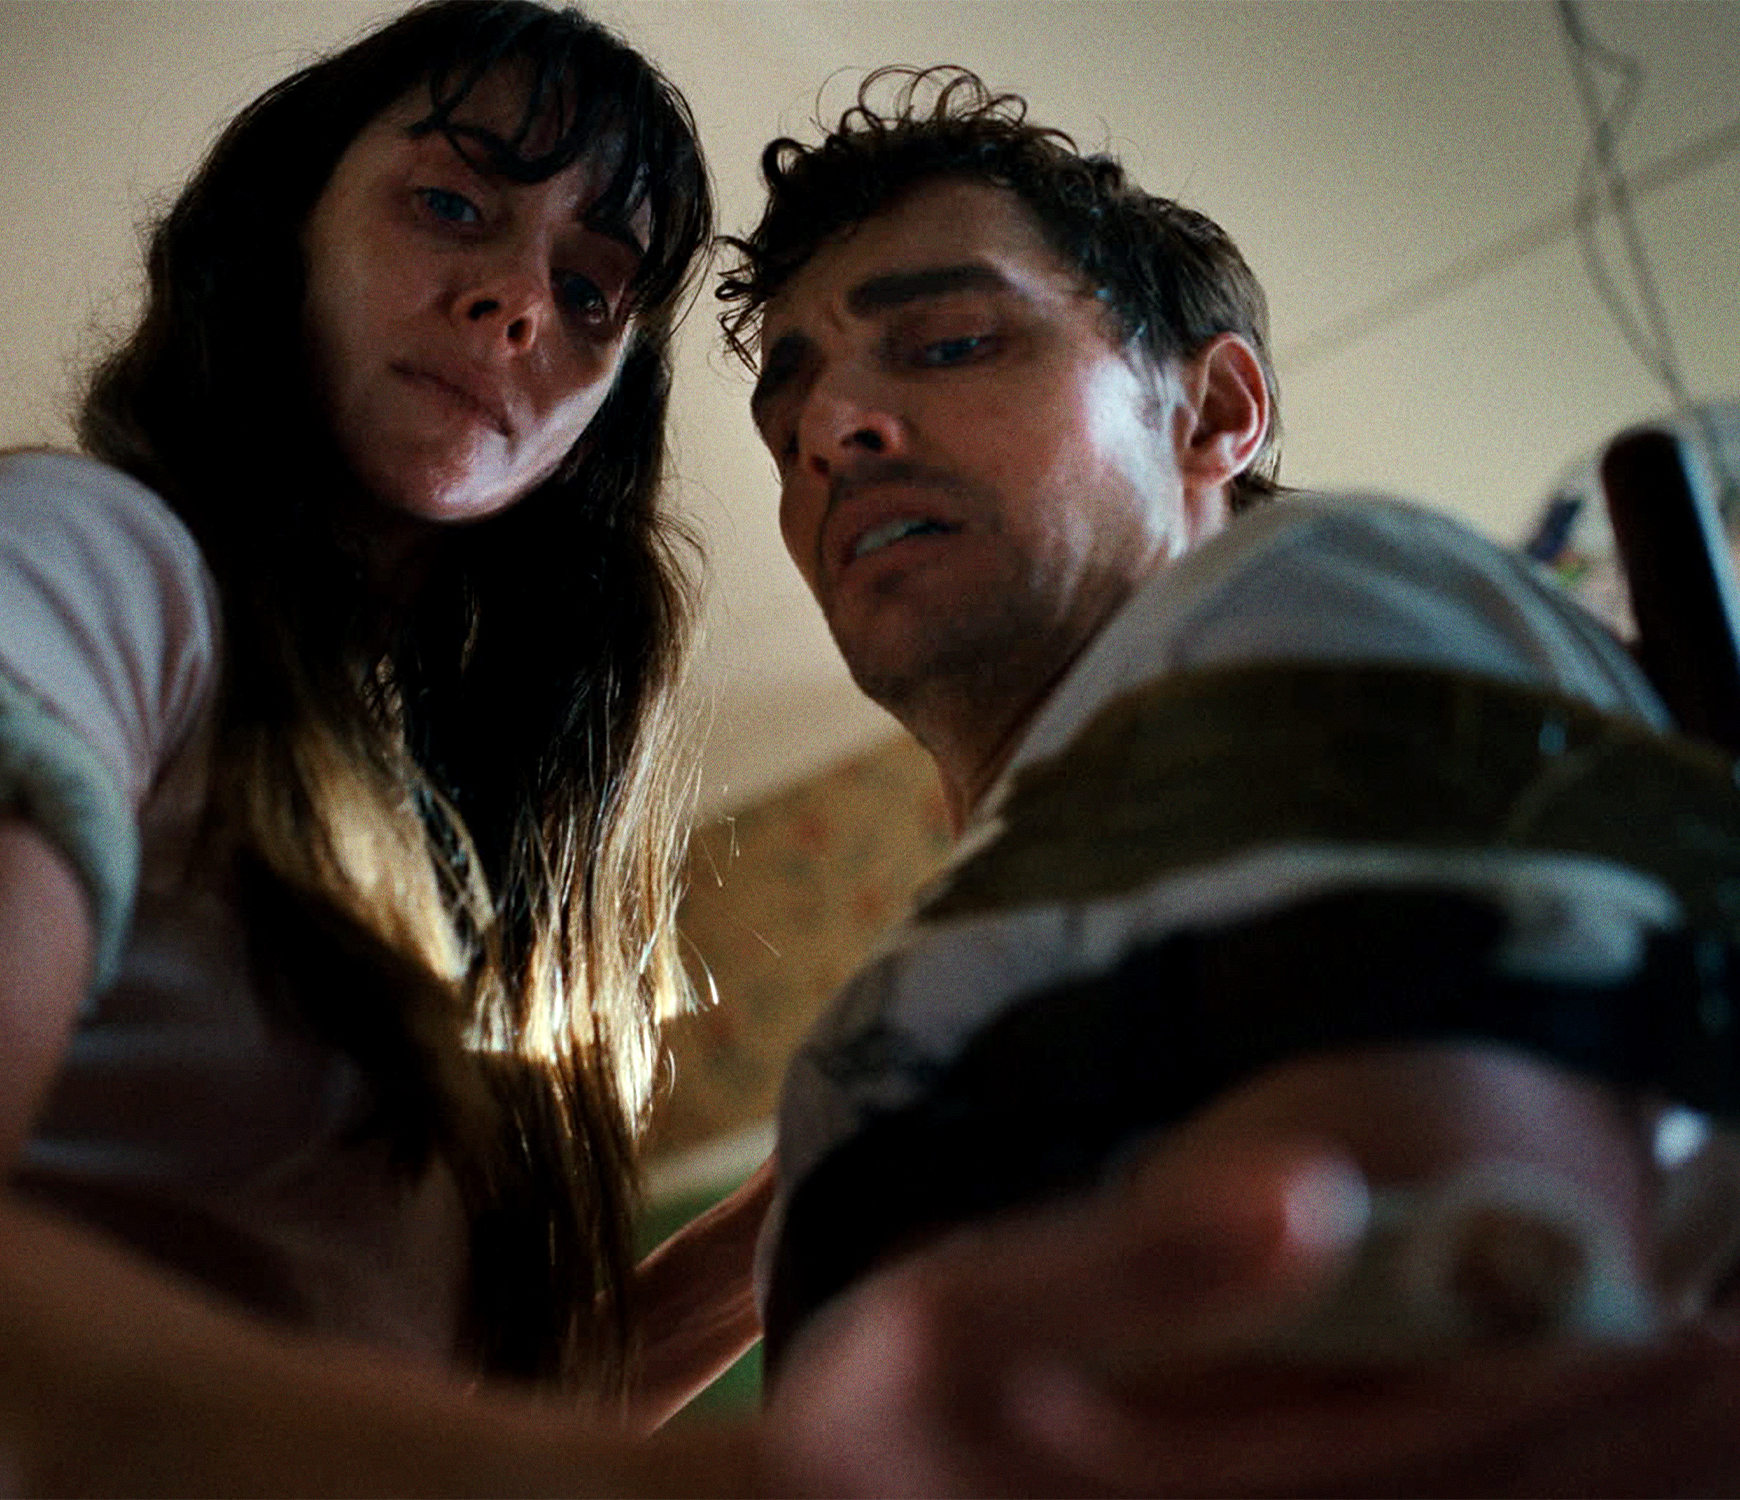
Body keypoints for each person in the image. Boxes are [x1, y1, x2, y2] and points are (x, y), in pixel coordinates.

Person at [0, 2, 774, 1489]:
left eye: (591, 289)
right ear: (284, 226)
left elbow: (419, 1410)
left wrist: (784, 1225)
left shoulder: (432, 850)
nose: (516, 303)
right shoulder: (89, 556)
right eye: (451, 205)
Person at [714, 63, 1740, 1477]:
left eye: (948, 344)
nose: (833, 431)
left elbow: (1427, 1390)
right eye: (788, 426)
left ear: (1212, 415)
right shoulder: (978, 944)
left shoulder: (1309, 590)